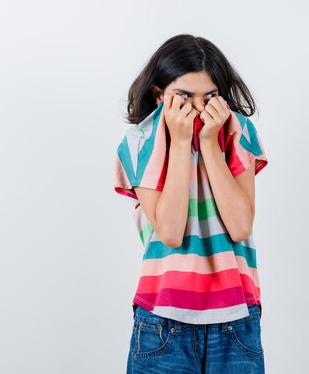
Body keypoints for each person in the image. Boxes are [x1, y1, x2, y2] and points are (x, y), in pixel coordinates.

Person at [113, 34, 269, 374]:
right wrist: (182, 143)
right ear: (159, 94)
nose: (200, 109)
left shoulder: (237, 132)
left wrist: (210, 144)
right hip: (163, 320)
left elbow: (241, 225)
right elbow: (169, 231)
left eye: (210, 96)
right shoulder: (140, 141)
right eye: (185, 96)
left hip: (236, 318)